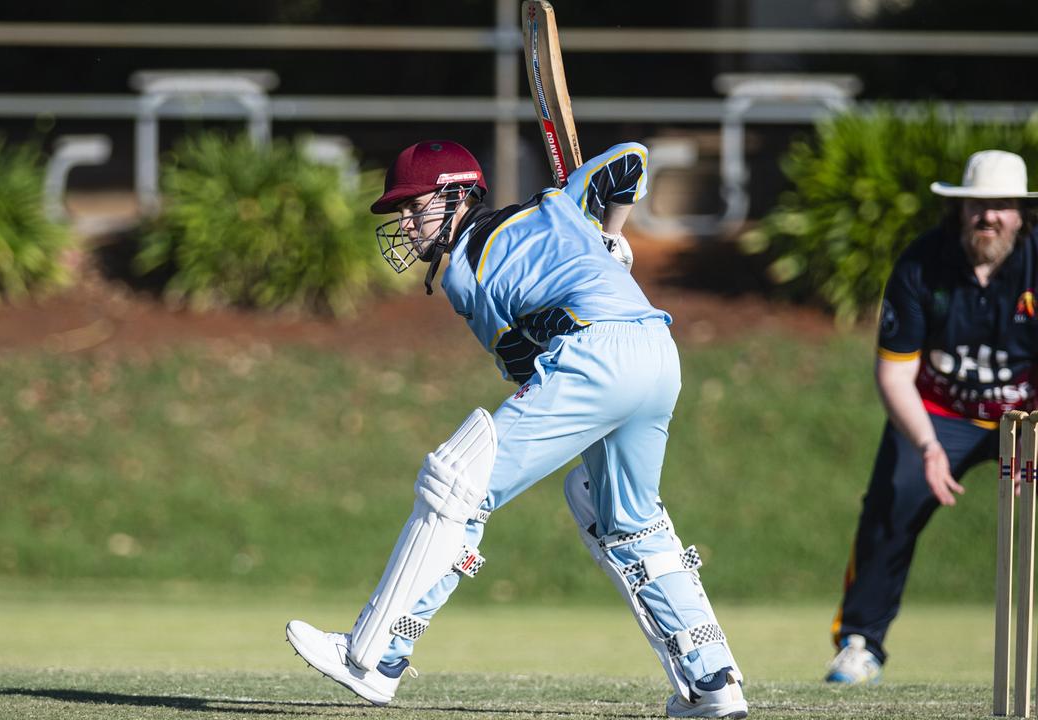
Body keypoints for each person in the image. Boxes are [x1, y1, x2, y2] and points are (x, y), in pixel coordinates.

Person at [285, 139, 748, 719]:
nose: (405, 222)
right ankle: (713, 682)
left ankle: (375, 657)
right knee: (630, 524)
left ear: (457, 195)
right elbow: (631, 159)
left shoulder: (463, 276)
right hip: (657, 352)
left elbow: (523, 365)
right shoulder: (560, 202)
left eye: (415, 205)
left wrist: (601, 247)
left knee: (459, 485)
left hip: (598, 357)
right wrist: (609, 235)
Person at [825, 150, 1038, 685]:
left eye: (1002, 206)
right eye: (977, 206)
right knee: (892, 498)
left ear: (1020, 214)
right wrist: (926, 445)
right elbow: (895, 375)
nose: (988, 217)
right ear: (960, 210)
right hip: (941, 411)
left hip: (1027, 414)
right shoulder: (921, 264)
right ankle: (859, 642)